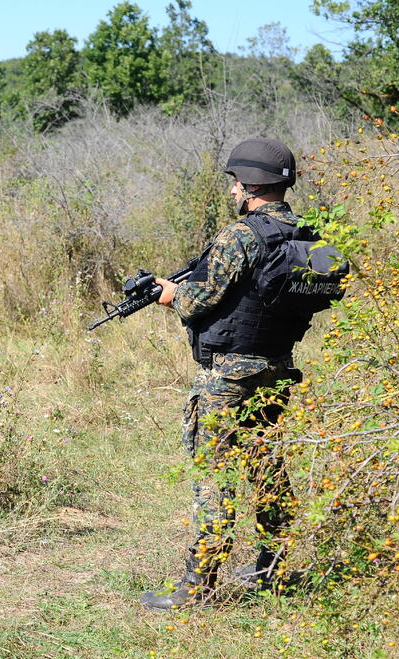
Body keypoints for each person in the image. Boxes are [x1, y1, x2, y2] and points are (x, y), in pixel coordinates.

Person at [140, 138, 311, 611]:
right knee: (270, 470)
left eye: (236, 181)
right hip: (277, 368)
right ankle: (271, 572)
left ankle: (198, 589)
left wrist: (167, 293)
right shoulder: (307, 233)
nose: (233, 189)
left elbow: (196, 302)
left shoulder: (240, 236)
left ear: (250, 185)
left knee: (215, 478)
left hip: (230, 377)